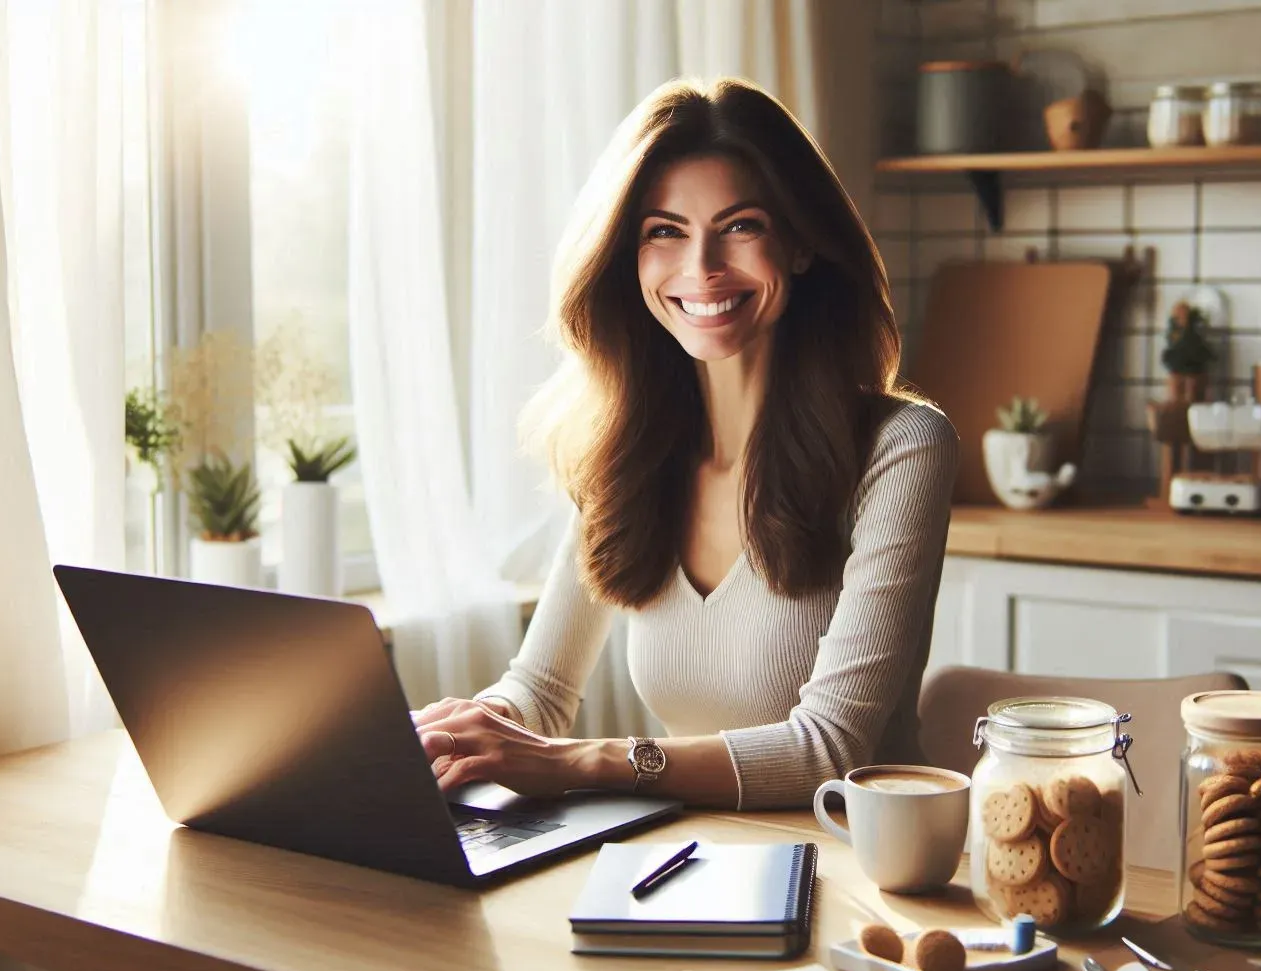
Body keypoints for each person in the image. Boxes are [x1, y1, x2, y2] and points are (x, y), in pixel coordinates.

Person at [409, 77, 956, 810]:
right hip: (682, 865)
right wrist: (459, 736)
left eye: (740, 226)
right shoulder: (627, 454)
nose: (700, 268)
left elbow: (829, 749)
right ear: (629, 259)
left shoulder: (903, 448)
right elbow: (539, 690)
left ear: (799, 244)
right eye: (664, 231)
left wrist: (583, 761)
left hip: (855, 879)